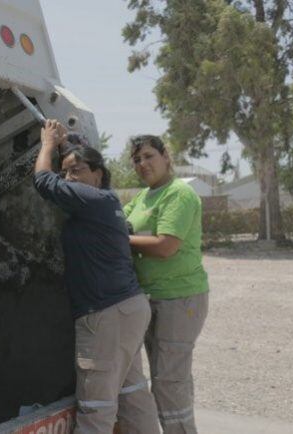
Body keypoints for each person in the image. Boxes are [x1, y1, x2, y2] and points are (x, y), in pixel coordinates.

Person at [33, 120, 160, 434]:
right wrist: (68, 146)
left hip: (105, 316)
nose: (69, 178)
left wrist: (48, 143)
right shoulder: (105, 203)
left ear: (99, 175)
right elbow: (72, 169)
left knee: (96, 411)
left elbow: (43, 181)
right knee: (132, 396)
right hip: (127, 311)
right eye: (66, 171)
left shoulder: (92, 202)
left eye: (76, 171)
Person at [123, 134, 209, 434]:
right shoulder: (143, 197)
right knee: (165, 378)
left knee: (169, 382)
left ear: (165, 156)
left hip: (179, 298)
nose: (143, 164)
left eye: (149, 156)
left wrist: (119, 239)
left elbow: (165, 246)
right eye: (137, 160)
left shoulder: (178, 194)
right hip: (150, 297)